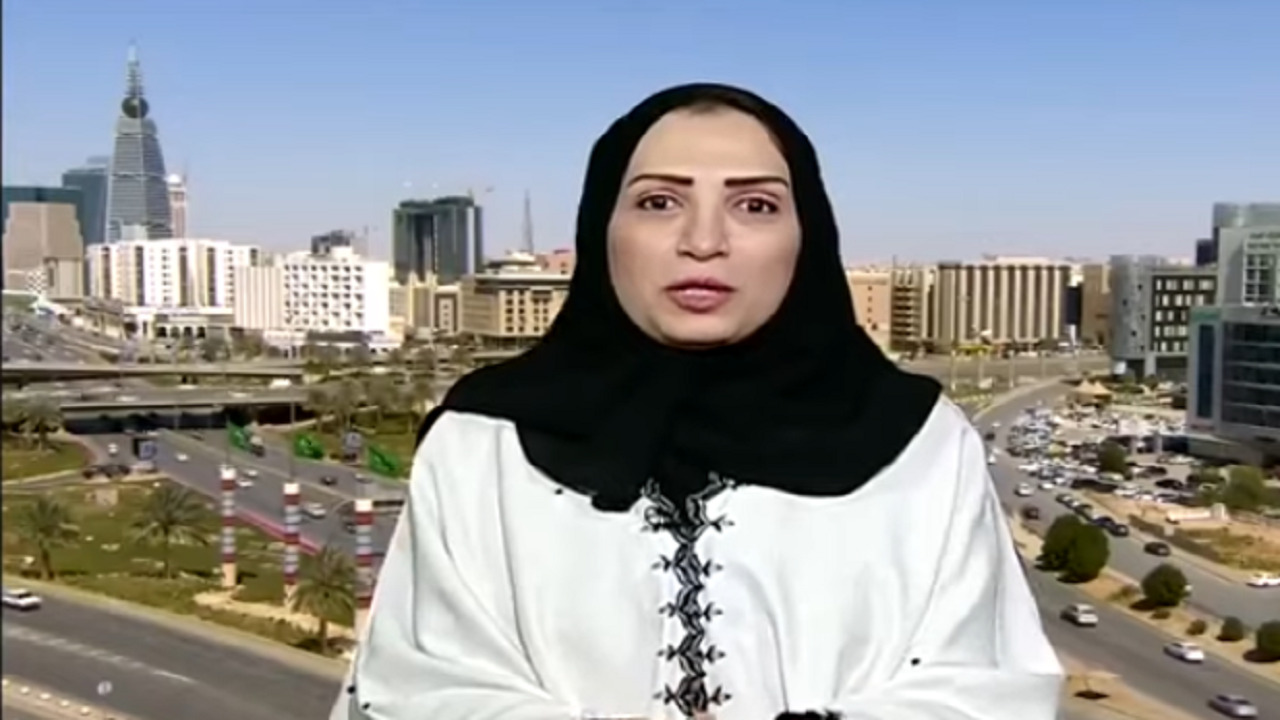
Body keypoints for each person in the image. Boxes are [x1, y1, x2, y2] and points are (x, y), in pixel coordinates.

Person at [333, 83, 1063, 720]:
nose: (704, 240)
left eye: (755, 204)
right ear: (601, 228)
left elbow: (985, 688)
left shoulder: (923, 448)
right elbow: (418, 684)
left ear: (807, 236)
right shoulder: (481, 445)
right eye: (659, 202)